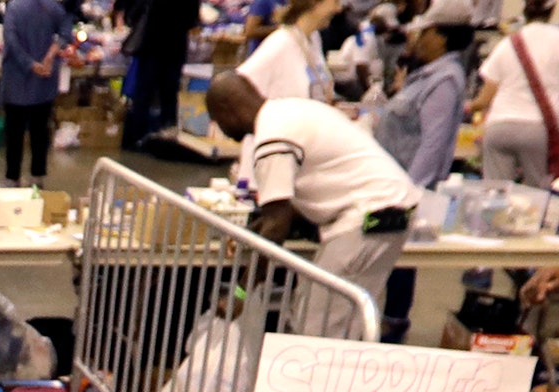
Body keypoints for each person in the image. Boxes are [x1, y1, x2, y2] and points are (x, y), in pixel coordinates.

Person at [206, 72, 420, 338]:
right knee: (352, 324)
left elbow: (276, 228)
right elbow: (315, 185)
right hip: (395, 208)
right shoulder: (293, 110)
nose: (223, 132)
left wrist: (240, 292)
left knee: (314, 329)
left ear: (228, 111)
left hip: (364, 218)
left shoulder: (271, 139)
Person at [374, 0, 470, 341]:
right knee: (390, 251)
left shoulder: (444, 79)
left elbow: (434, 142)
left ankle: (393, 324)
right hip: (390, 180)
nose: (418, 38)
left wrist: (409, 192)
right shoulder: (426, 74)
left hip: (405, 186)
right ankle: (386, 319)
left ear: (442, 37)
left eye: (425, 32)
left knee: (399, 254)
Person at [472, 0, 559, 189]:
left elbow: (486, 97)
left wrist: (469, 107)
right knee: (539, 195)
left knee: (494, 194)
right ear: (552, 10)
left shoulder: (508, 43)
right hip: (538, 129)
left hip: (499, 125)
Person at [0, 0, 72, 187]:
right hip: (44, 83)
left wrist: (29, 64)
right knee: (40, 132)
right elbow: (66, 33)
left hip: (16, 80)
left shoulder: (14, 8)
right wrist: (50, 54)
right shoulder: (53, 7)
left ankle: (12, 177)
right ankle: (37, 177)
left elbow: (11, 39)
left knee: (15, 133)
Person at [118, 0, 199, 147]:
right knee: (168, 95)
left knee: (144, 94)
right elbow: (192, 19)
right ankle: (166, 139)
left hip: (151, 44)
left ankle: (138, 138)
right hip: (174, 46)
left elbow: (131, 13)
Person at [239, 0, 340, 102]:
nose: (338, 9)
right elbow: (238, 85)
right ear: (314, 3)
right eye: (335, 2)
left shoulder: (314, 38)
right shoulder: (282, 41)